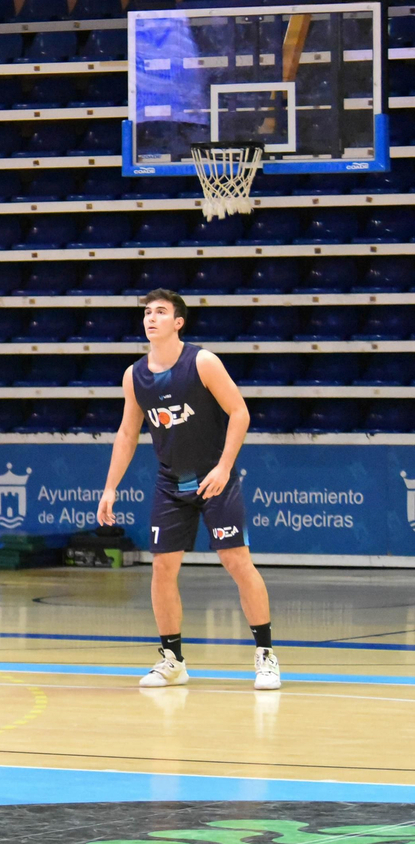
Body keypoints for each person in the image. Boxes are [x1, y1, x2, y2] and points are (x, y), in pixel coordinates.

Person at [98, 289, 279, 691]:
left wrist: (224, 467)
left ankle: (265, 655)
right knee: (162, 569)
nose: (151, 318)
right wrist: (110, 488)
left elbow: (240, 412)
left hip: (215, 479)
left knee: (236, 562)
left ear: (178, 321)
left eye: (161, 312)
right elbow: (128, 434)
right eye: (147, 312)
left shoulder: (202, 361)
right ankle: (172, 660)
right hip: (170, 483)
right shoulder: (134, 376)